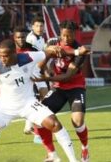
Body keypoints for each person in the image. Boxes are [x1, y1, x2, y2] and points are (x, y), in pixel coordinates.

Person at [0, 40, 79, 162]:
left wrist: (75, 51)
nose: (2, 59)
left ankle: (73, 160)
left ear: (14, 53)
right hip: (4, 106)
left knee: (55, 124)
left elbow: (49, 51)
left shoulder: (28, 57)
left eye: (5, 56)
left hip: (28, 103)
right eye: (0, 56)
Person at [32, 20, 90, 162]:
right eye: (63, 35)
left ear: (74, 34)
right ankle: (51, 153)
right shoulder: (53, 42)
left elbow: (68, 76)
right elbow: (43, 61)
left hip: (75, 86)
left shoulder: (80, 50)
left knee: (77, 121)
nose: (65, 38)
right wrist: (41, 67)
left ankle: (85, 148)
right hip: (58, 87)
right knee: (37, 116)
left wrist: (44, 79)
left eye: (69, 36)